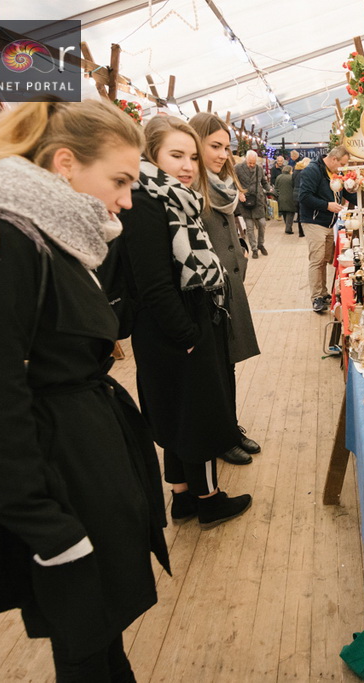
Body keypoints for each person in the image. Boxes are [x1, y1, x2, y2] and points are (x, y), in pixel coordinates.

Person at [0, 99, 169, 681]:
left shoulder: (52, 232)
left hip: (83, 460)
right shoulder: (0, 240)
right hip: (58, 478)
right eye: (119, 180)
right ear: (65, 162)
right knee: (83, 635)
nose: (126, 200)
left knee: (97, 628)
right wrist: (45, 524)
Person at [117, 115, 253, 529]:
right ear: (150, 154)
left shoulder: (169, 198)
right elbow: (154, 283)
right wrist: (189, 336)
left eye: (192, 156)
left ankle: (181, 496)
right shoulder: (147, 202)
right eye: (176, 155)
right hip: (175, 325)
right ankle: (209, 499)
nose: (188, 165)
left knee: (174, 413)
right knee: (199, 414)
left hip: (169, 326)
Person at [188, 112, 262, 463]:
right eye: (214, 146)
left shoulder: (221, 187)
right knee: (213, 369)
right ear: (195, 143)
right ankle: (220, 436)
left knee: (227, 363)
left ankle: (230, 427)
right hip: (207, 293)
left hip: (229, 288)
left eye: (226, 147)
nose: (223, 155)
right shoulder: (191, 191)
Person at [296, 145, 355, 313]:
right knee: (317, 259)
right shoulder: (313, 171)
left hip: (329, 223)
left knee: (324, 259)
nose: (342, 168)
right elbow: (304, 197)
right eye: (342, 164)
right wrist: (327, 205)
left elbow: (345, 193)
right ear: (334, 159)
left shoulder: (336, 173)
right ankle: (316, 298)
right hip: (314, 221)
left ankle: (323, 293)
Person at [234, 150, 272, 259]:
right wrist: (239, 192)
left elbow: (264, 182)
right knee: (249, 227)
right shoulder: (237, 168)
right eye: (250, 163)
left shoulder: (259, 168)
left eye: (253, 163)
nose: (251, 165)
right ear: (245, 159)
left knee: (262, 223)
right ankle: (254, 248)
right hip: (245, 201)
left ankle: (261, 244)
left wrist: (269, 188)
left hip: (258, 200)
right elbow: (233, 182)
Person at [274, 164, 296, 234]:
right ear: (290, 171)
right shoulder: (292, 177)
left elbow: (276, 188)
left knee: (284, 212)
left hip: (281, 198)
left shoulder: (279, 177)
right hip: (290, 198)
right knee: (290, 213)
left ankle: (287, 225)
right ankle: (288, 228)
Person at [291, 156, 310, 238]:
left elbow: (292, 183)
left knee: (299, 214)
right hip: (303, 194)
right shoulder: (306, 171)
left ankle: (300, 232)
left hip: (295, 194)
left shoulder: (295, 171)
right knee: (305, 213)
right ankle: (305, 231)